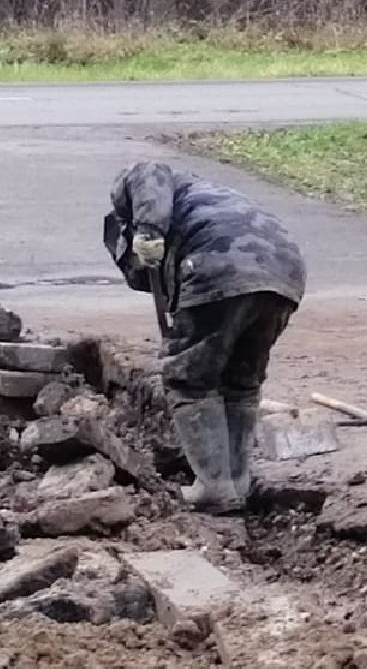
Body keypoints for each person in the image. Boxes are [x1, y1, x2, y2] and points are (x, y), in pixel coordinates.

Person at [103, 162, 306, 514]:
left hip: (220, 266)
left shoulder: (142, 184)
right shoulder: (210, 200)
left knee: (189, 379)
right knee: (240, 382)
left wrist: (147, 230)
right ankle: (237, 483)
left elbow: (150, 171)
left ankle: (214, 487)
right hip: (284, 273)